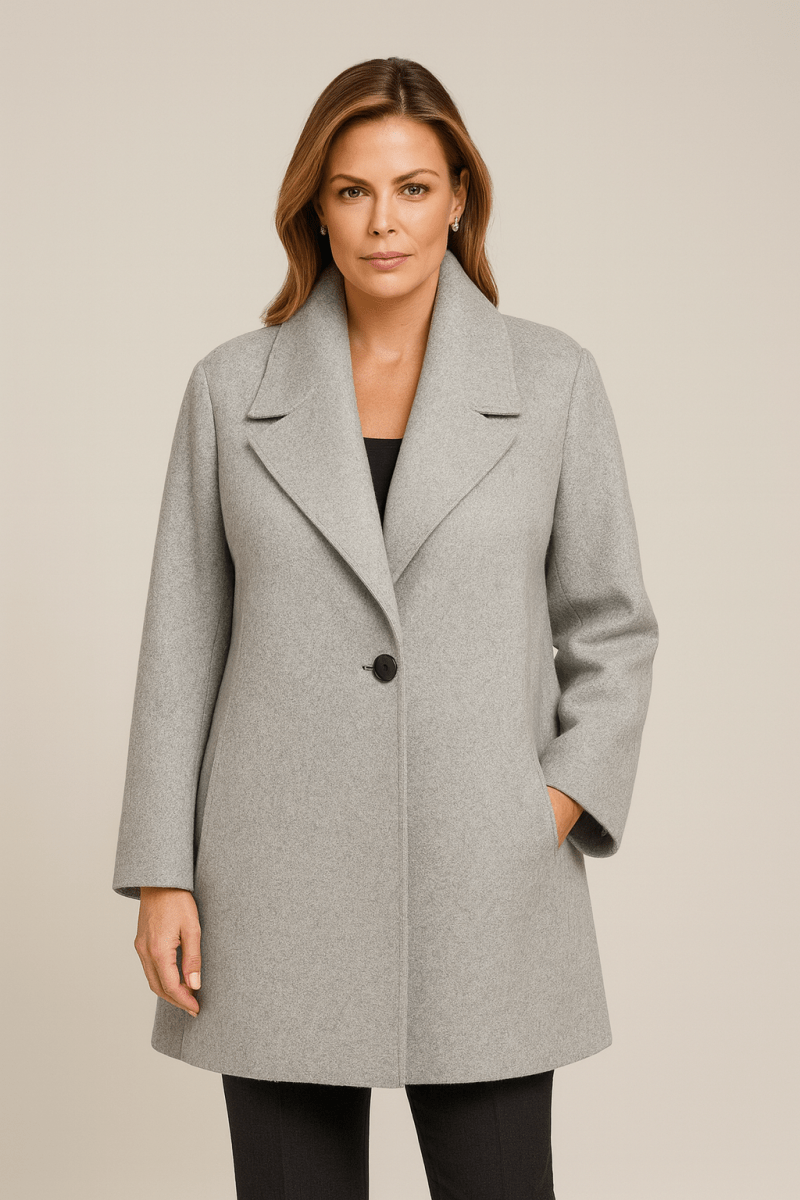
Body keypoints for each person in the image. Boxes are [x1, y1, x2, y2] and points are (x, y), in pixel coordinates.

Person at [112, 56, 659, 1199]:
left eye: (412, 188)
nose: (383, 221)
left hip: (482, 875)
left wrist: (549, 803)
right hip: (273, 880)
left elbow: (611, 626)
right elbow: (181, 642)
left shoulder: (551, 381)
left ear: (458, 198)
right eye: (352, 190)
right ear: (314, 205)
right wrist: (163, 873)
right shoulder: (229, 388)